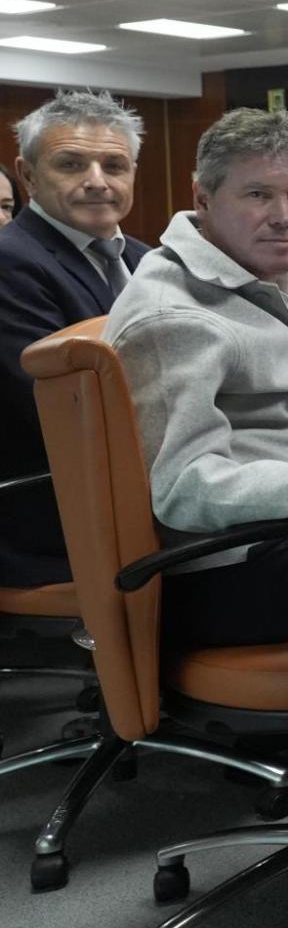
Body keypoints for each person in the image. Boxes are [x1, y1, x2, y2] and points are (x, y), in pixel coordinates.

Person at [106, 109, 288, 650]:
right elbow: (182, 488)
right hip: (230, 566)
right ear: (203, 198)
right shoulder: (171, 315)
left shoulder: (282, 280)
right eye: (258, 195)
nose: (283, 217)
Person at [0, 91, 150, 588]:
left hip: (143, 483)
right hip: (59, 509)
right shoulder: (10, 262)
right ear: (27, 175)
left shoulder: (148, 260)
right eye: (71, 164)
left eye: (114, 165)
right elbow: (65, 414)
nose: (97, 181)